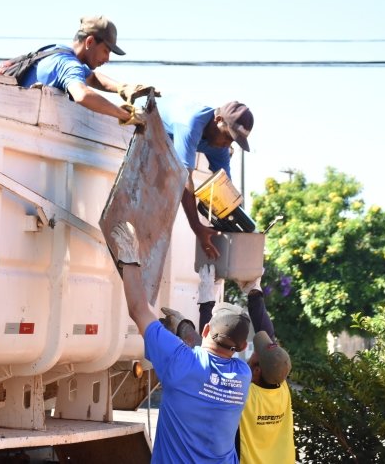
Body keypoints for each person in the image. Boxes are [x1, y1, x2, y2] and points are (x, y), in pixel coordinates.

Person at [110, 222, 252, 463]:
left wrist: (129, 257)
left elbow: (139, 310)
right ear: (241, 348)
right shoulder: (242, 375)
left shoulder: (180, 361)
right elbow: (208, 353)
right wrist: (183, 327)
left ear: (206, 328)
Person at [179, 267, 295, 463]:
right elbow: (269, 341)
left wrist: (206, 302)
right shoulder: (280, 387)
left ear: (257, 370)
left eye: (255, 353)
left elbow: (209, 353)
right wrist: (254, 293)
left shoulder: (243, 394)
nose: (251, 353)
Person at [159, 100, 254, 260]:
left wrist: (238, 229)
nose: (227, 144)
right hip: (144, 117)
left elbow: (225, 191)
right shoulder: (191, 123)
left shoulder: (220, 146)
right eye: (227, 136)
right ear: (218, 120)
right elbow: (184, 180)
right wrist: (197, 226)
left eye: (233, 141)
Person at [18, 15, 153, 125]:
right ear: (89, 42)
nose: (107, 59)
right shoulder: (69, 65)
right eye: (106, 51)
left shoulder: (55, 51)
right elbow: (82, 95)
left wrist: (121, 87)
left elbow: (92, 77)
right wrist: (125, 115)